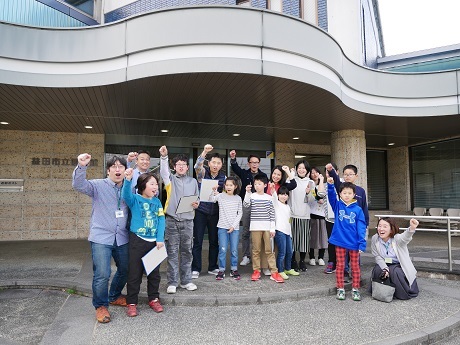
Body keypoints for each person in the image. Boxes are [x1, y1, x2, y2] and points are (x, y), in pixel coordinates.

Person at [72, 153, 129, 323]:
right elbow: (78, 185)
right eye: (114, 167)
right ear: (108, 170)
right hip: (101, 237)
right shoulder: (97, 186)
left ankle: (114, 295)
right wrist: (81, 166)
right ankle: (101, 306)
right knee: (102, 273)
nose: (117, 170)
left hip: (122, 237)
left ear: (125, 170)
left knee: (126, 269)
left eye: (121, 167)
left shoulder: (128, 187)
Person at [122, 170, 165, 317]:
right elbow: (125, 195)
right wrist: (128, 180)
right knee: (134, 274)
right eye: (152, 184)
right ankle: (132, 303)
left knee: (154, 274)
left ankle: (153, 299)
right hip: (137, 240)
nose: (155, 187)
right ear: (142, 185)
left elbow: (161, 220)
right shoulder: (135, 199)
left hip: (154, 243)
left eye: (156, 185)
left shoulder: (157, 202)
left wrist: (160, 238)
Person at [159, 146, 199, 294]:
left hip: (188, 221)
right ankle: (172, 282)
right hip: (172, 220)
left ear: (187, 167)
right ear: (174, 167)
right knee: (172, 251)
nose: (181, 166)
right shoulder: (170, 180)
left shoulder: (193, 181)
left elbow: (197, 198)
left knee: (187, 252)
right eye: (178, 164)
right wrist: (164, 157)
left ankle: (186, 281)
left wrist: (197, 204)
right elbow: (163, 172)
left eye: (184, 164)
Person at [326, 163, 369, 282]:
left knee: (355, 254)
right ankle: (344, 272)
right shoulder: (341, 187)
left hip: (356, 227)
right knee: (342, 254)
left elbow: (364, 207)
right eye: (345, 174)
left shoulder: (360, 191)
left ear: (356, 176)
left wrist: (366, 223)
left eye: (350, 174)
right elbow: (334, 184)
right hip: (343, 227)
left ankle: (355, 274)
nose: (348, 176)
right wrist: (331, 172)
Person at [192, 144, 226, 279]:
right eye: (213, 162)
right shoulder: (203, 172)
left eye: (218, 163)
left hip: (215, 212)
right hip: (201, 211)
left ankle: (212, 266)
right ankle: (195, 268)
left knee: (214, 241)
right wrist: (204, 152)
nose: (215, 165)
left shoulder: (224, 177)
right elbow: (196, 167)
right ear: (209, 163)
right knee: (198, 241)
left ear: (221, 164)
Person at [229, 150, 268, 267]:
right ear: (249, 164)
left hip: (259, 206)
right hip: (246, 205)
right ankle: (246, 256)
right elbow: (235, 168)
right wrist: (233, 158)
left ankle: (259, 256)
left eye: (256, 162)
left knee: (258, 232)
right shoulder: (244, 173)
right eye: (252, 162)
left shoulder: (263, 176)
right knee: (245, 231)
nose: (254, 164)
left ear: (259, 163)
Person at [243, 174, 284, 283]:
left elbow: (273, 211)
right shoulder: (252, 196)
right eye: (255, 183)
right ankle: (256, 271)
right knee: (256, 250)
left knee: (269, 250)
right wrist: (247, 192)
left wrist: (272, 228)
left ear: (265, 185)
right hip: (255, 227)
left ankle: (274, 272)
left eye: (259, 184)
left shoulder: (269, 197)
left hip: (267, 228)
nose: (257, 186)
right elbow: (246, 205)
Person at [369, 217, 420, 300]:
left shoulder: (397, 239)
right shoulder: (375, 238)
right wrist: (385, 268)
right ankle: (380, 291)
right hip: (385, 263)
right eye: (379, 226)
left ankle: (399, 293)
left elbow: (405, 237)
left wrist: (412, 228)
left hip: (399, 264)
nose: (381, 229)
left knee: (395, 272)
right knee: (378, 269)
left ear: (391, 229)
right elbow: (377, 256)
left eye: (385, 226)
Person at [209, 176, 243, 280]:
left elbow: (240, 213)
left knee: (234, 250)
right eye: (227, 185)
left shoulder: (238, 198)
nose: (228, 187)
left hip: (235, 228)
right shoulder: (220, 196)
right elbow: (211, 199)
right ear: (224, 186)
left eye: (231, 185)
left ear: (235, 186)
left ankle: (234, 269)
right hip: (222, 227)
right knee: (222, 249)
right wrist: (213, 191)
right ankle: (221, 270)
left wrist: (233, 226)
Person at [270, 185, 299, 280]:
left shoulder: (287, 207)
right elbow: (274, 197)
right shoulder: (277, 204)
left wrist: (290, 233)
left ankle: (288, 268)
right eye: (282, 194)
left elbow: (289, 221)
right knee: (282, 252)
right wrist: (273, 190)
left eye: (286, 194)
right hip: (279, 231)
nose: (284, 196)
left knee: (290, 251)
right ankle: (280, 270)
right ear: (278, 195)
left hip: (288, 232)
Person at [289, 160, 313, 272]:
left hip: (305, 214)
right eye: (299, 167)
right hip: (292, 214)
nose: (301, 170)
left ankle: (302, 261)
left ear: (307, 170)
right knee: (293, 239)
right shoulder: (291, 180)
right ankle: (293, 260)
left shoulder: (311, 182)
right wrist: (290, 175)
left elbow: (313, 201)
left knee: (303, 240)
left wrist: (308, 193)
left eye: (304, 168)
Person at [308, 167, 328, 267]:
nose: (314, 174)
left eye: (316, 172)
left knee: (322, 237)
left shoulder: (324, 185)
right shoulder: (310, 185)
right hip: (311, 213)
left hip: (323, 215)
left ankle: (320, 257)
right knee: (312, 237)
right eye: (312, 173)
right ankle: (311, 257)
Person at [324, 163, 340, 274]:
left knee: (341, 242)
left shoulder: (341, 183)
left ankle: (341, 263)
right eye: (327, 171)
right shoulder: (324, 184)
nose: (328, 173)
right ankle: (331, 262)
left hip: (341, 218)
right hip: (329, 218)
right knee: (331, 241)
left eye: (331, 171)